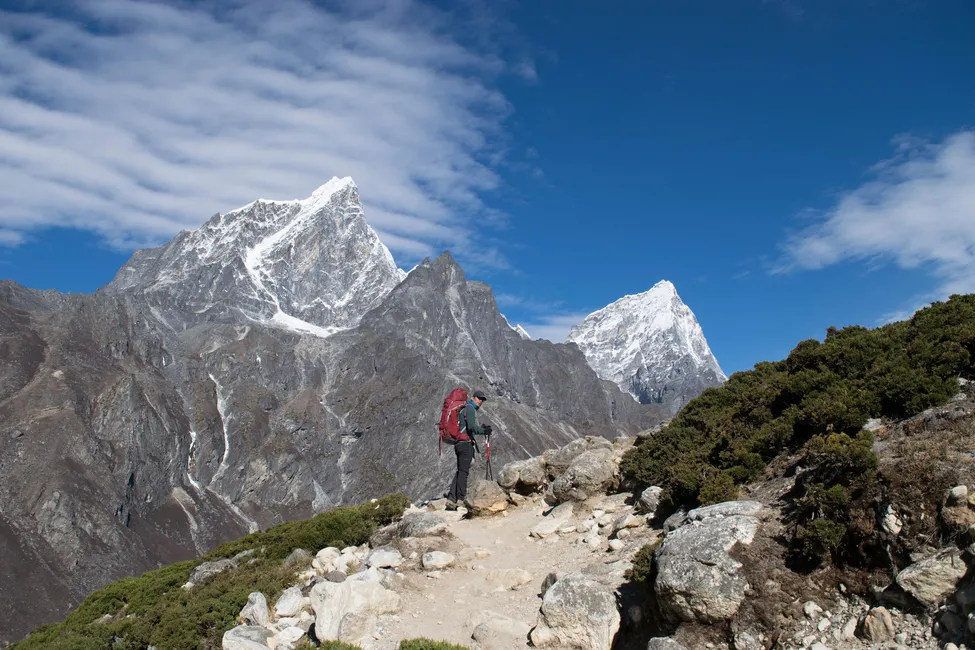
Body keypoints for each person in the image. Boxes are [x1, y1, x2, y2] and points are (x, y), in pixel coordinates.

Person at [445, 389, 492, 509]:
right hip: (465, 444)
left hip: (459, 443)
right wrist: (484, 431)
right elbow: (471, 427)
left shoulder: (464, 409)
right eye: (479, 398)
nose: (480, 401)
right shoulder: (470, 409)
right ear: (473, 398)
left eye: (482, 400)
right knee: (463, 472)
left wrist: (480, 428)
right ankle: (461, 499)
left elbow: (467, 426)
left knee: (461, 471)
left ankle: (452, 498)